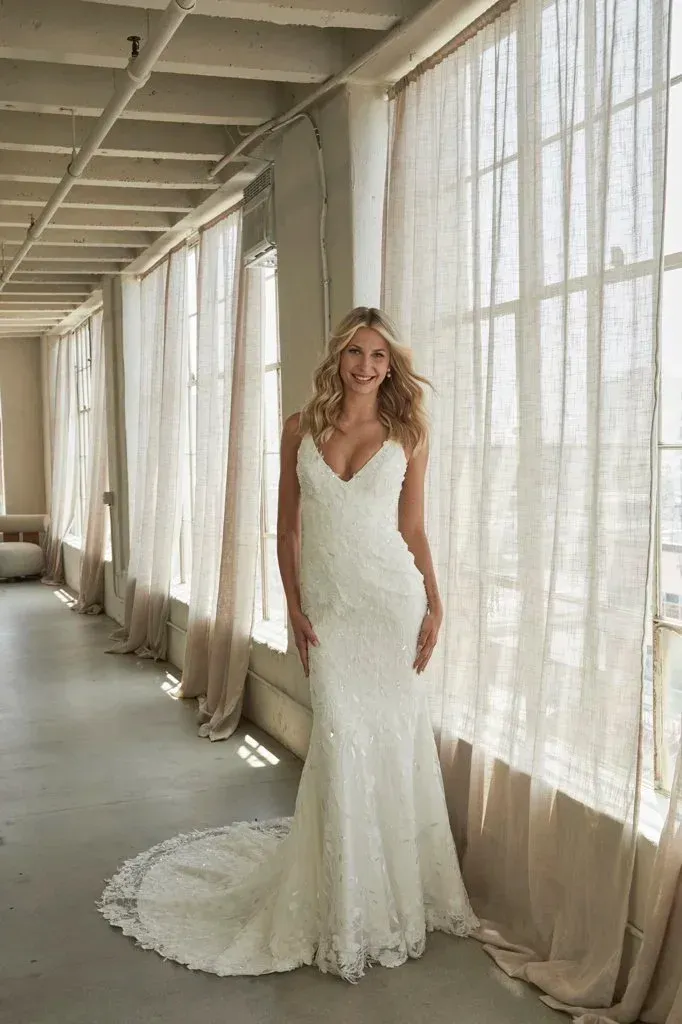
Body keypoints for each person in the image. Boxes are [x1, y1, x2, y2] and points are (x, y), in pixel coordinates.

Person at [99, 307, 477, 982]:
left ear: (391, 366)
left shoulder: (407, 431)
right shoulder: (300, 428)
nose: (366, 366)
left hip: (392, 604)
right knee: (338, 741)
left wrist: (437, 601)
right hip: (332, 611)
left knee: (391, 743)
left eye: (379, 357)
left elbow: (414, 529)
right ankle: (341, 903)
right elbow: (287, 533)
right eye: (356, 353)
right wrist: (296, 609)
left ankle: (389, 895)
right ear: (337, 357)